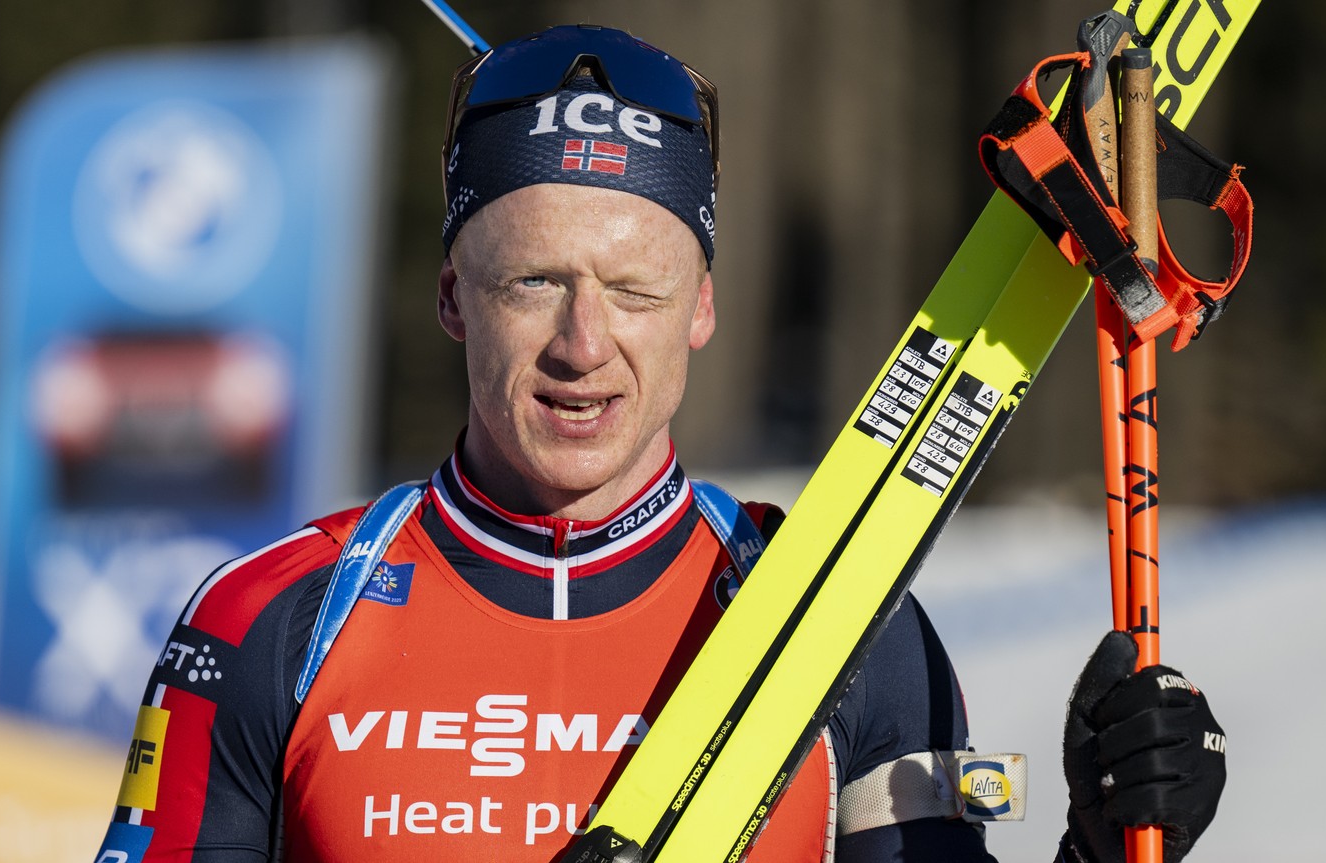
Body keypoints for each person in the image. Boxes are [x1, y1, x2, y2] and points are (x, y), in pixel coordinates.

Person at [94, 24, 1226, 863]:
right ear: (451, 298)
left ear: (701, 308)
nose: (584, 344)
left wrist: (1098, 848)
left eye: (636, 289)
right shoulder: (272, 619)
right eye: (533, 282)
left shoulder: (841, 619)